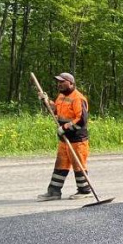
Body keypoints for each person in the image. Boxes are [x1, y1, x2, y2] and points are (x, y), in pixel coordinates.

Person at [37, 72, 92, 201]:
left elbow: (81, 120)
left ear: (71, 83)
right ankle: (54, 192)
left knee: (78, 166)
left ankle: (84, 191)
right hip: (64, 139)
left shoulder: (78, 98)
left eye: (62, 81)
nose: (59, 84)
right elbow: (55, 110)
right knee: (60, 165)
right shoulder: (61, 96)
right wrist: (46, 101)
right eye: (58, 82)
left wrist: (65, 128)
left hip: (77, 139)